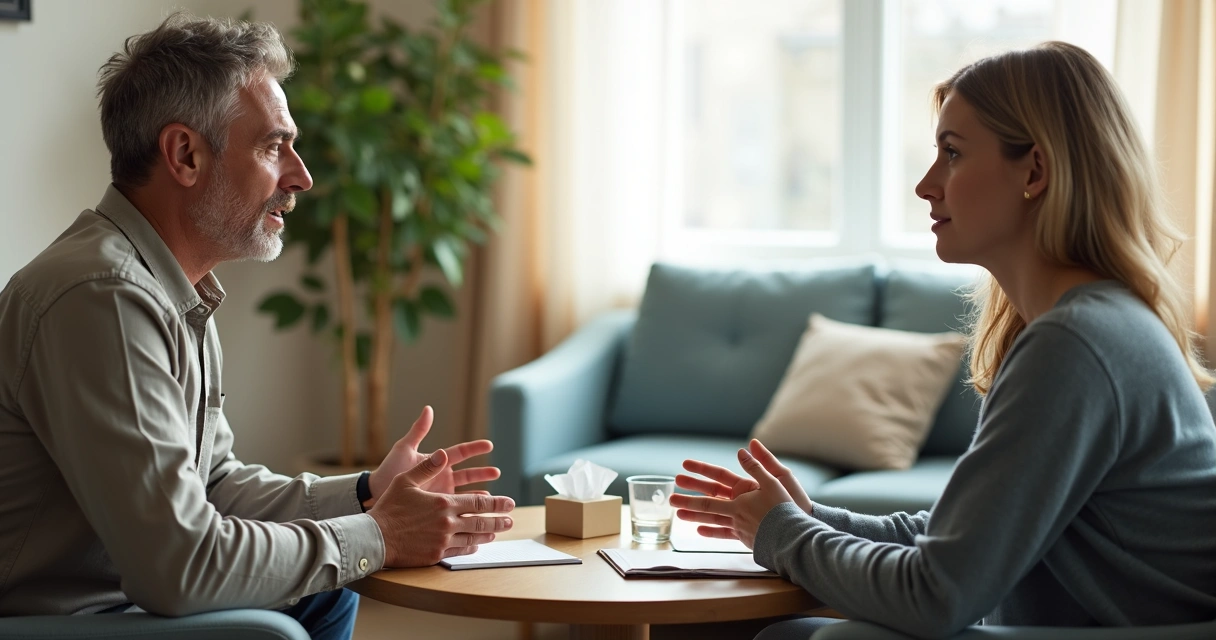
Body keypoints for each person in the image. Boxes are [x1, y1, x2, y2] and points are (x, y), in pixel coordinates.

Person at [671, 41, 1216, 639]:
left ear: (1035, 171)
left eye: (952, 153)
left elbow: (935, 594)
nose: (926, 186)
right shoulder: (1093, 324)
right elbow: (958, 541)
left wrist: (781, 532)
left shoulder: (1076, 344)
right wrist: (807, 518)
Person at [0, 13, 514, 639]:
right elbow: (180, 567)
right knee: (297, 614)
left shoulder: (171, 287)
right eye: (273, 147)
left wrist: (365, 491)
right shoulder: (102, 297)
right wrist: (380, 535)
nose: (302, 176)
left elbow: (213, 485)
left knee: (324, 596)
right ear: (185, 155)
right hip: (61, 622)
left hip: (121, 604)